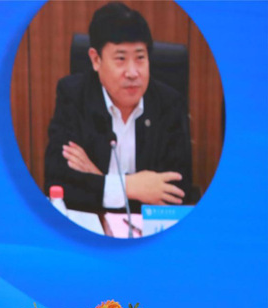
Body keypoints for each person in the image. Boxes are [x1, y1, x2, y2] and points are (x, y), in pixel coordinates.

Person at [44, 1, 192, 214]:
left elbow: (177, 193)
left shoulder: (169, 105)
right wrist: (131, 187)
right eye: (121, 59)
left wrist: (99, 179)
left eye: (140, 58)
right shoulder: (74, 97)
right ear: (96, 60)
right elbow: (57, 184)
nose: (132, 72)